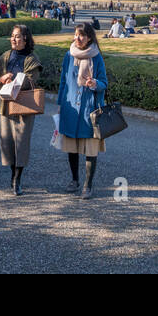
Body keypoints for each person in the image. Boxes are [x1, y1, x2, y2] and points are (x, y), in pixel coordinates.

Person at [58, 22, 108, 199]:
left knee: (90, 148)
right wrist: (61, 103)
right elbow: (63, 81)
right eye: (76, 34)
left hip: (89, 108)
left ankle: (88, 185)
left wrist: (95, 84)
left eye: (81, 35)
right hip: (71, 107)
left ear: (89, 37)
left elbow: (104, 82)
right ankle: (74, 180)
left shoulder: (96, 57)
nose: (77, 38)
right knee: (71, 146)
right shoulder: (68, 55)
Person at [0, 25, 43, 195]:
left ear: (25, 39)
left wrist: (14, 79)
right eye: (12, 36)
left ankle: (18, 179)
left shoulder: (32, 59)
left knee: (21, 143)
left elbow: (32, 80)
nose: (13, 39)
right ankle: (12, 175)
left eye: (17, 36)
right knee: (7, 143)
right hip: (7, 105)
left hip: (24, 106)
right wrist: (2, 79)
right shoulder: (6, 57)